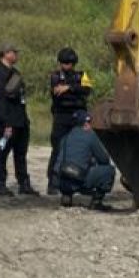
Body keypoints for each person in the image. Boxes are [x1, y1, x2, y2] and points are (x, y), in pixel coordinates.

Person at [0, 42, 39, 197]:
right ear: (5, 53)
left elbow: (21, 97)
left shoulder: (15, 72)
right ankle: (1, 185)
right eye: (13, 52)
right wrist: (6, 124)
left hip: (21, 121)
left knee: (21, 153)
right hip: (8, 123)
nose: (16, 55)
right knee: (3, 152)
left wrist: (25, 120)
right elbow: (0, 101)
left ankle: (23, 183)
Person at [46, 47, 92, 195]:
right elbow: (57, 91)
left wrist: (69, 88)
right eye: (65, 63)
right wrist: (72, 89)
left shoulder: (82, 74)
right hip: (61, 116)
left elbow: (87, 89)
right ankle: (52, 183)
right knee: (58, 148)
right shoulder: (55, 76)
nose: (68, 66)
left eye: (70, 63)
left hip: (78, 115)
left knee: (84, 148)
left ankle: (85, 182)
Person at [53, 110, 116, 210]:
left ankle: (67, 196)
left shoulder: (65, 137)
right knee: (109, 170)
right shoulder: (90, 136)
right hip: (80, 180)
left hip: (62, 181)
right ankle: (96, 202)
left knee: (69, 169)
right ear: (86, 124)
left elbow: (58, 163)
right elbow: (104, 160)